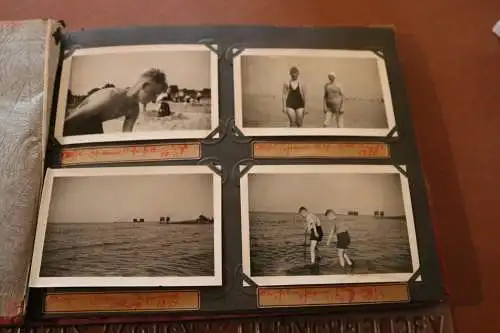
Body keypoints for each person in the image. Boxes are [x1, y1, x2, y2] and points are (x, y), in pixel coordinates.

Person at [63, 68, 168, 136]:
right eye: (154, 93)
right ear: (145, 86)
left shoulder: (134, 110)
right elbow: (71, 121)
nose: (154, 99)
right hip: (76, 127)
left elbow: (126, 136)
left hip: (94, 127)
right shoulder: (112, 95)